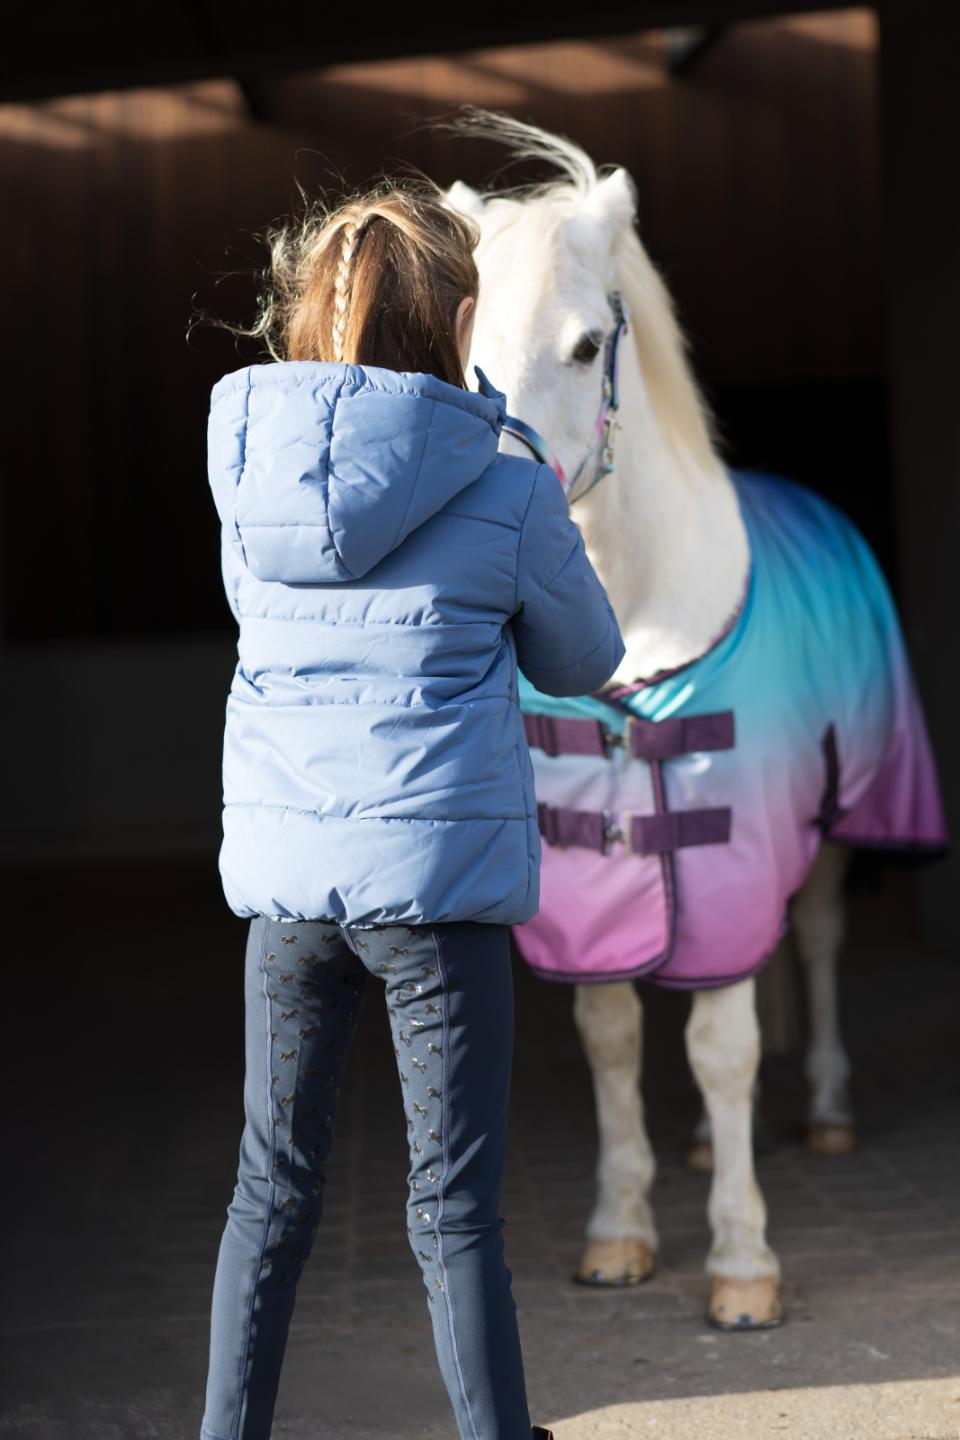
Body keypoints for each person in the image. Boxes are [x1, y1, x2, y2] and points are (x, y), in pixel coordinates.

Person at [200, 176, 625, 1440]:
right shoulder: (508, 485)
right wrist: (529, 500)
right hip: (436, 894)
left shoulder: (248, 487)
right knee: (452, 1210)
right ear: (458, 322)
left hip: (288, 894)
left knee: (268, 1194)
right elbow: (585, 659)